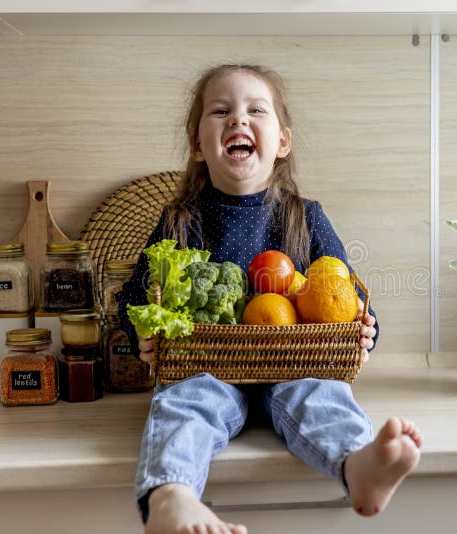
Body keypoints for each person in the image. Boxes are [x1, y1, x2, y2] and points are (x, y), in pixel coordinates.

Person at [118, 63, 423, 534]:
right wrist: (142, 332)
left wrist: (366, 329)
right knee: (184, 403)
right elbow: (137, 295)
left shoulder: (306, 218)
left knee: (324, 395)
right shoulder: (180, 221)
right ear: (198, 145)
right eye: (220, 111)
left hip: (294, 367)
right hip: (208, 369)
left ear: (282, 141)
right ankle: (171, 497)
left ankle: (359, 468)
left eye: (254, 110)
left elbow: (347, 294)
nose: (238, 120)